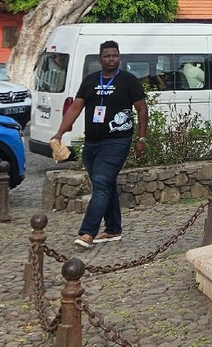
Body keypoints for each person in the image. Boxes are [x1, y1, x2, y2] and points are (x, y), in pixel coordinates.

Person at [50, 40, 148, 249]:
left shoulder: (129, 81)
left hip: (117, 141)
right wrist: (59, 133)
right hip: (92, 142)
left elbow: (142, 109)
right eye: (107, 56)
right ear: (100, 58)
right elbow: (75, 108)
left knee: (102, 182)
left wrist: (141, 138)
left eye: (115, 55)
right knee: (106, 185)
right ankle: (113, 229)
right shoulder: (90, 81)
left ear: (119, 58)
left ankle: (87, 232)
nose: (111, 59)